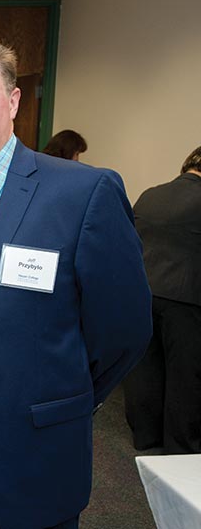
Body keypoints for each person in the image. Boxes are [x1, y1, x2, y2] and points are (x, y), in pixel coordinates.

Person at [0, 40, 152, 529]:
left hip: (31, 448)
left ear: (13, 101)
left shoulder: (81, 192)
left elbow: (124, 331)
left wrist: (63, 398)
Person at [123, 145, 201, 454]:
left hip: (143, 291)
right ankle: (181, 447)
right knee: (186, 377)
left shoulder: (151, 194)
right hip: (187, 299)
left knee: (145, 370)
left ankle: (146, 436)